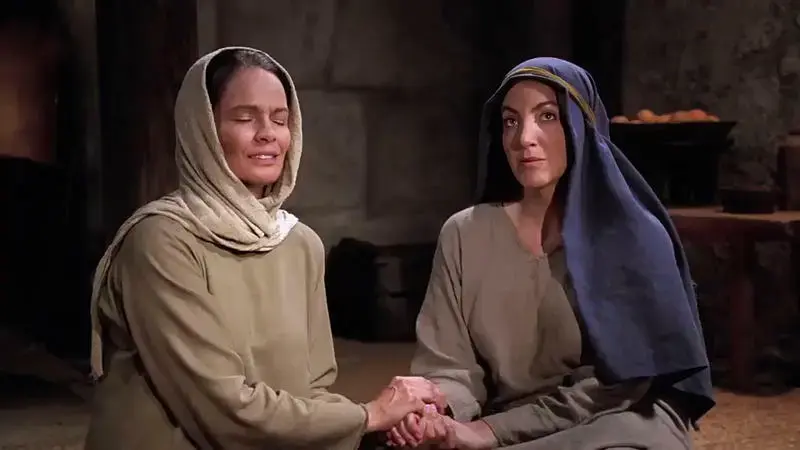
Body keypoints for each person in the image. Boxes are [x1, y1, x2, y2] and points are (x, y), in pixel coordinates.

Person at [84, 46, 444, 450]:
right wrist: (368, 416)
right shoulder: (161, 240)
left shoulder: (299, 243)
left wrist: (383, 425)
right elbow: (220, 408)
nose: (267, 133)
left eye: (280, 119)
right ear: (203, 129)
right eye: (244, 118)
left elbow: (312, 393)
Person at [385, 58, 714, 449]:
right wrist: (438, 414)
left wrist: (489, 431)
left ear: (581, 126)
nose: (524, 138)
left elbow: (619, 384)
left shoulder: (634, 237)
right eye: (510, 121)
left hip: (617, 418)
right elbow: (450, 367)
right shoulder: (464, 233)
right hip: (507, 417)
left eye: (547, 116)